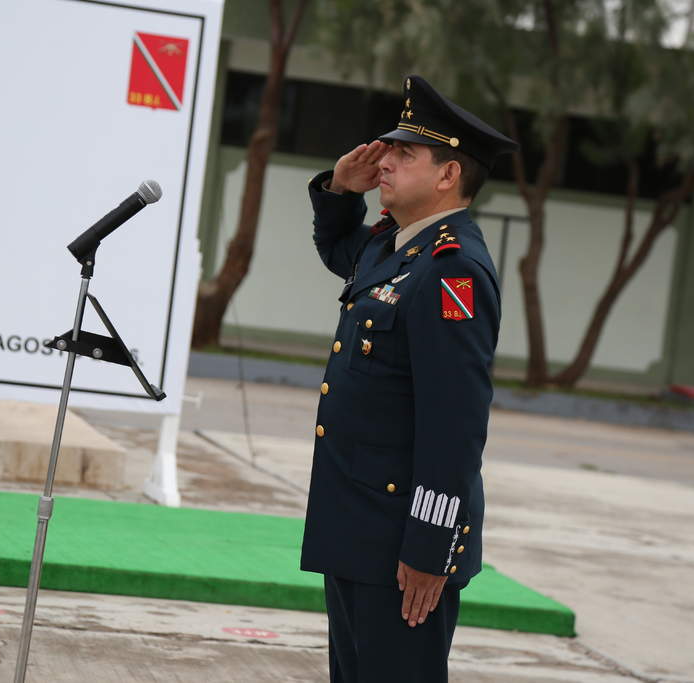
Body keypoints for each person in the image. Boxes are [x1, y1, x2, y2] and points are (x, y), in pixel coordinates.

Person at [299, 74, 518, 682]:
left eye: (404, 153)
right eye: (387, 148)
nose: (385, 160)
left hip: (401, 547)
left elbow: (455, 426)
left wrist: (429, 549)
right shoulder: (397, 248)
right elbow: (339, 249)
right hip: (355, 526)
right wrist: (341, 188)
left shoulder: (454, 272)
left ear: (448, 175)